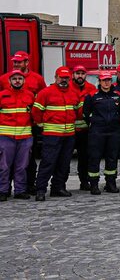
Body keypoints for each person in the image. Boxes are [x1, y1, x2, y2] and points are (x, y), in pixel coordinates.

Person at [31, 66, 81, 201]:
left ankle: (58, 188)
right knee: (48, 162)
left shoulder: (73, 93)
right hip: (52, 135)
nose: (63, 80)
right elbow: (36, 112)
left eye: (66, 78)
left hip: (69, 135)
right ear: (55, 77)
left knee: (64, 164)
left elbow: (77, 111)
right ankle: (40, 190)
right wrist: (42, 125)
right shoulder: (45, 93)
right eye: (61, 77)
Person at [82, 73, 120, 194]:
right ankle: (94, 184)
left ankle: (111, 183)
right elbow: (86, 113)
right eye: (104, 80)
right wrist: (95, 122)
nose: (106, 83)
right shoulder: (92, 96)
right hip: (97, 132)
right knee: (94, 158)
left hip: (113, 131)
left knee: (112, 158)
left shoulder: (117, 96)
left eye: (108, 80)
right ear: (99, 82)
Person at [0, 70, 35, 201]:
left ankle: (20, 190)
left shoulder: (30, 95)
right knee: (4, 166)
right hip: (5, 136)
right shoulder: (2, 95)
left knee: (22, 166)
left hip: (25, 137)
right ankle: (3, 190)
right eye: (14, 78)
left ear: (24, 81)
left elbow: (34, 114)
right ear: (9, 81)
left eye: (20, 78)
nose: (17, 81)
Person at [67, 65, 96, 191]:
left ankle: (84, 182)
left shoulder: (91, 88)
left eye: (82, 73)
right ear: (73, 75)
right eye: (77, 73)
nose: (80, 76)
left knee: (85, 158)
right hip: (69, 130)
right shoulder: (67, 88)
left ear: (86, 75)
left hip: (85, 131)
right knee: (65, 159)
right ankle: (59, 184)